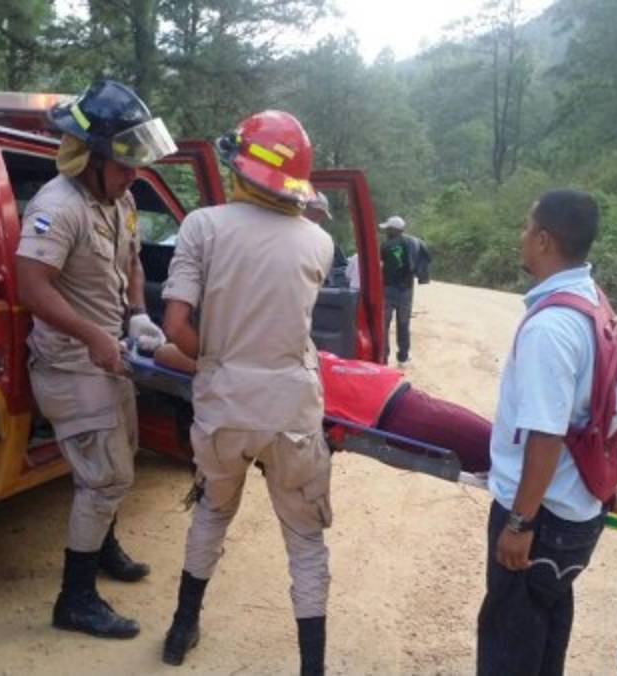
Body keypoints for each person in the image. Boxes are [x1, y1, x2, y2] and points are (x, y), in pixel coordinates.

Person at [159, 110, 334, 674]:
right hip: (293, 413)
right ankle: (312, 667)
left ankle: (181, 629)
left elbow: (176, 327)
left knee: (211, 512)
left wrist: (213, 364)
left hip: (224, 411)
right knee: (305, 541)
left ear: (241, 165)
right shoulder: (320, 242)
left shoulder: (202, 226)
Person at [15, 80, 177, 639]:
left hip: (108, 354)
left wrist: (136, 313)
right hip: (70, 362)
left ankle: (103, 548)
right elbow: (32, 287)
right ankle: (75, 599)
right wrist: (91, 334)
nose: (135, 174)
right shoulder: (56, 207)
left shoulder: (120, 200)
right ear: (91, 158)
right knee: (105, 476)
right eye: (125, 164)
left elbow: (131, 261)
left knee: (119, 456)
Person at [477, 190, 617, 675]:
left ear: (544, 240)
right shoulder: (592, 301)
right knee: (544, 638)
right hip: (575, 512)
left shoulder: (552, 327)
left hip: (543, 519)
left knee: (509, 647)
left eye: (527, 228)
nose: (521, 237)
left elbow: (545, 437)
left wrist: (519, 523)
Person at [151, 343, 492, 473]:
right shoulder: (229, 360)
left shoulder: (241, 340)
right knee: (492, 448)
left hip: (379, 394)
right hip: (379, 408)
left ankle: (535, 467)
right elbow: (166, 355)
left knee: (494, 444)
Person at [379, 215, 430, 366]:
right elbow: (426, 256)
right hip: (406, 291)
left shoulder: (385, 246)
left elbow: (379, 266)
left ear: (394, 230)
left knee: (384, 325)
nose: (386, 231)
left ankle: (384, 358)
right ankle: (402, 357)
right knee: (403, 324)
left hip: (387, 289)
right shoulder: (413, 243)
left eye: (388, 229)